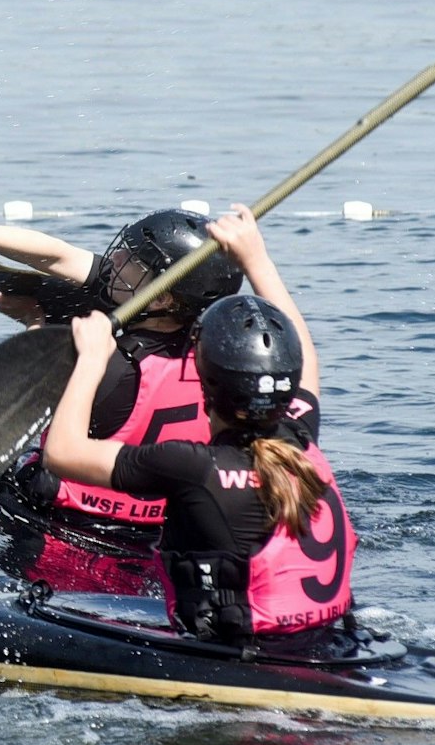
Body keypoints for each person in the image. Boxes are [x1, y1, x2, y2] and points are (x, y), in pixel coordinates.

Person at [42, 206, 357, 648]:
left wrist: (92, 358)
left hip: (241, 658)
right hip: (331, 642)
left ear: (206, 387)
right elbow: (304, 354)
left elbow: (62, 453)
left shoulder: (192, 466)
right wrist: (257, 260)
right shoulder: (303, 438)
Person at [0, 200, 241, 592]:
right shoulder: (220, 354)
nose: (115, 258)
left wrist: (34, 325)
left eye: (131, 259)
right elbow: (59, 256)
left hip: (64, 530)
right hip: (161, 534)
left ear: (162, 297)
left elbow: (21, 403)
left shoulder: (105, 366)